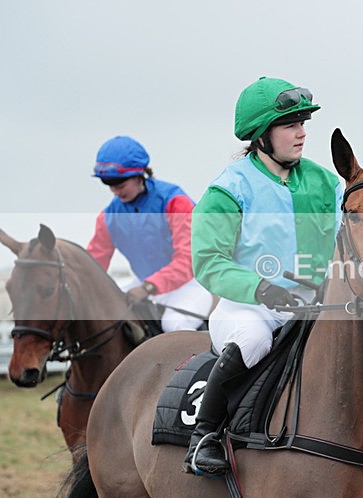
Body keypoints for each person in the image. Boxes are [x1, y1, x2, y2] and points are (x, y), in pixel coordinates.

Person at [183, 76, 343, 476]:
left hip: (314, 306)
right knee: (253, 340)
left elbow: (349, 239)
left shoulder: (327, 183)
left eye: (303, 123)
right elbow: (208, 262)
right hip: (249, 307)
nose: (302, 133)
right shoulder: (227, 190)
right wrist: (262, 289)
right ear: (260, 136)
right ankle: (203, 436)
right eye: (290, 125)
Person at [87, 135, 213, 332]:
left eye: (120, 184)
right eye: (109, 185)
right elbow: (93, 265)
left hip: (190, 284)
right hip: (144, 283)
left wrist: (148, 288)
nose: (115, 192)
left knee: (174, 325)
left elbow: (187, 260)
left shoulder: (175, 202)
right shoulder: (108, 216)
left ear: (140, 175)